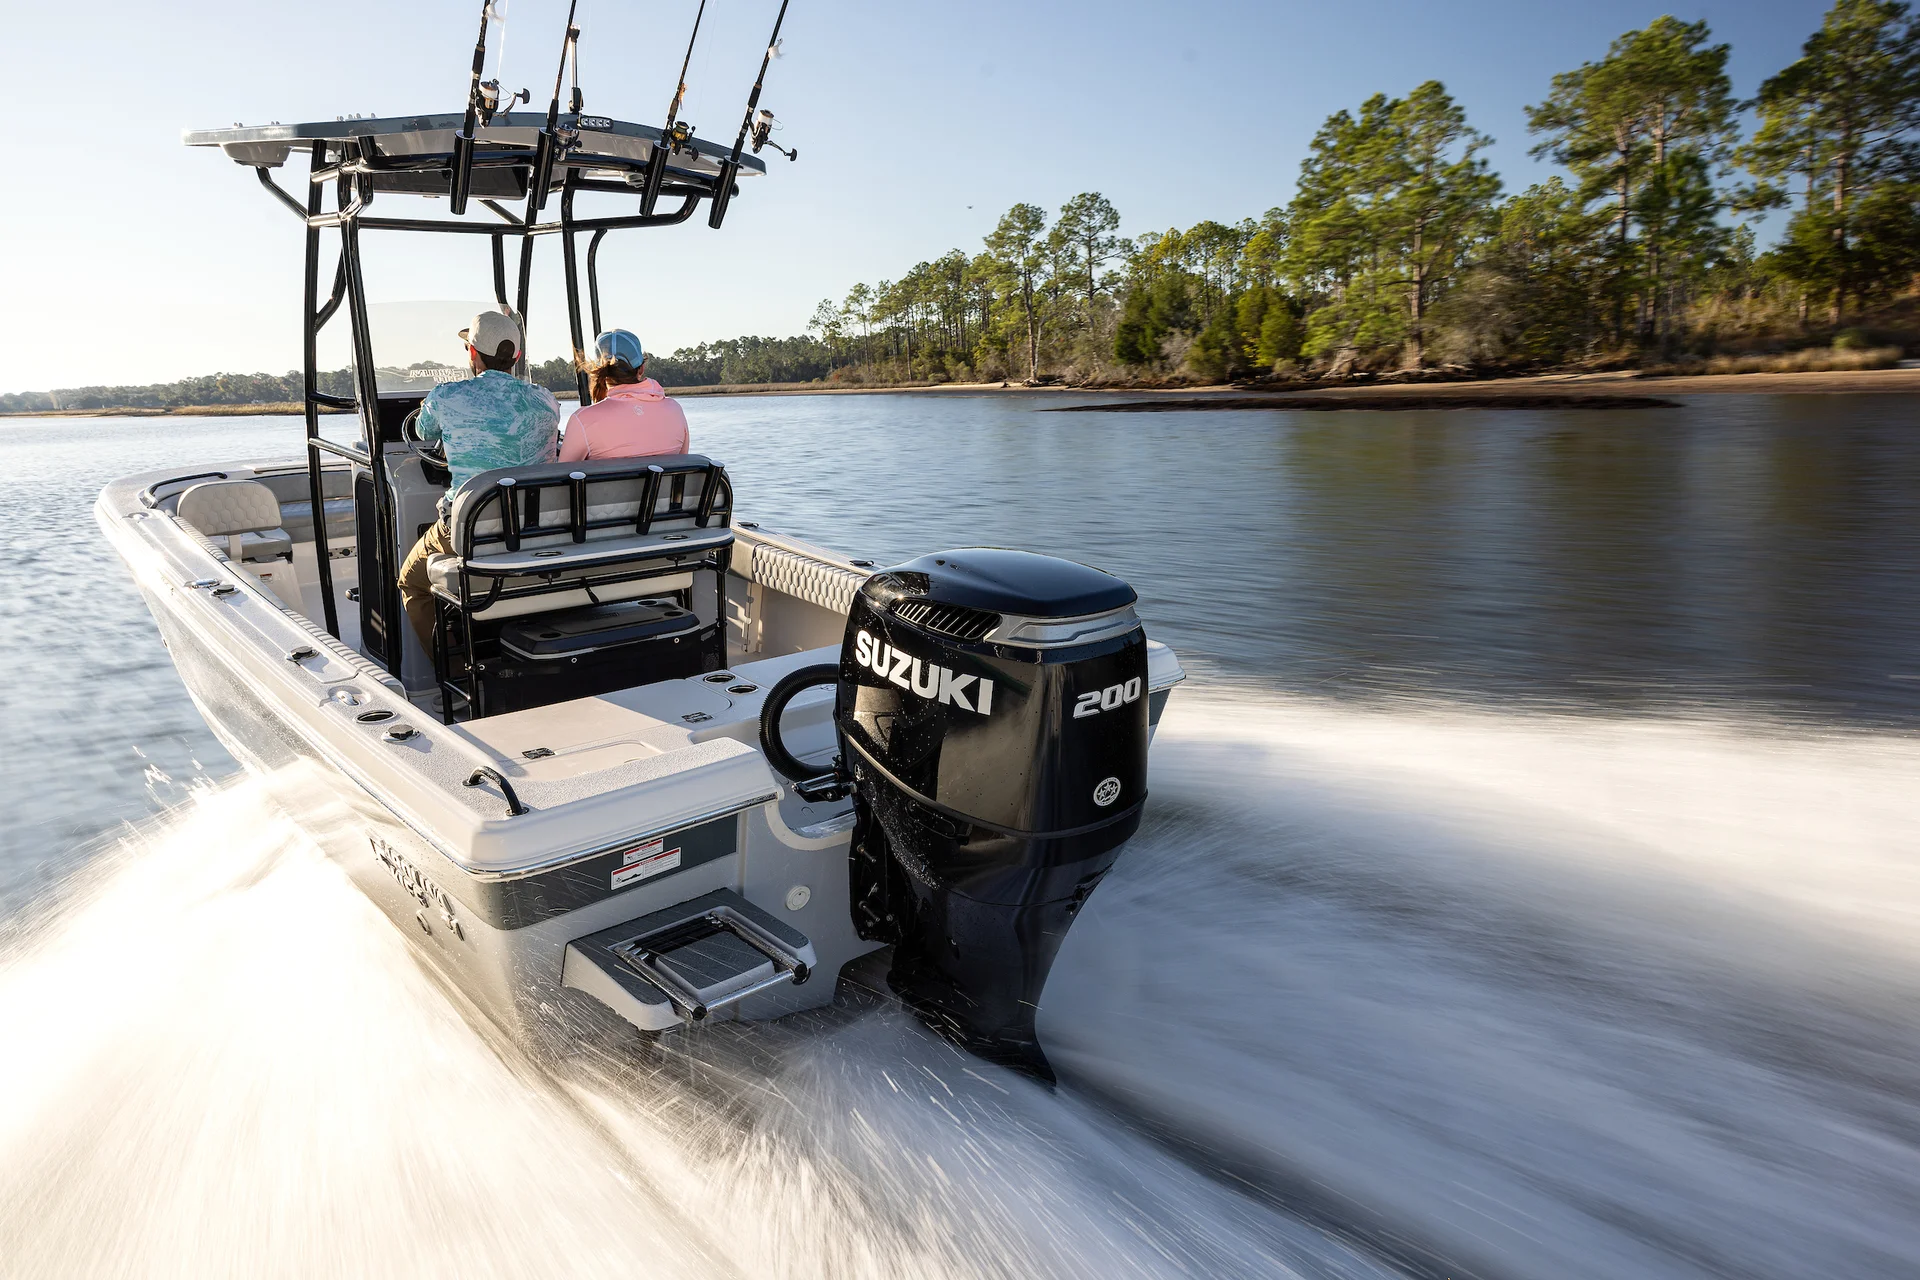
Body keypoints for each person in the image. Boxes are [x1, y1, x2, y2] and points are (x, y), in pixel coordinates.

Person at [398, 308, 561, 649]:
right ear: (516, 356)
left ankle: (454, 672)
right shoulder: (546, 400)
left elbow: (420, 429)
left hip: (471, 527)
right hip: (535, 527)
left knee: (411, 582)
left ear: (472, 352)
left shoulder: (446, 396)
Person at [558, 329, 690, 461]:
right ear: (641, 368)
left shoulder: (582, 420)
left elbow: (563, 477)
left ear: (599, 372)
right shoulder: (675, 410)